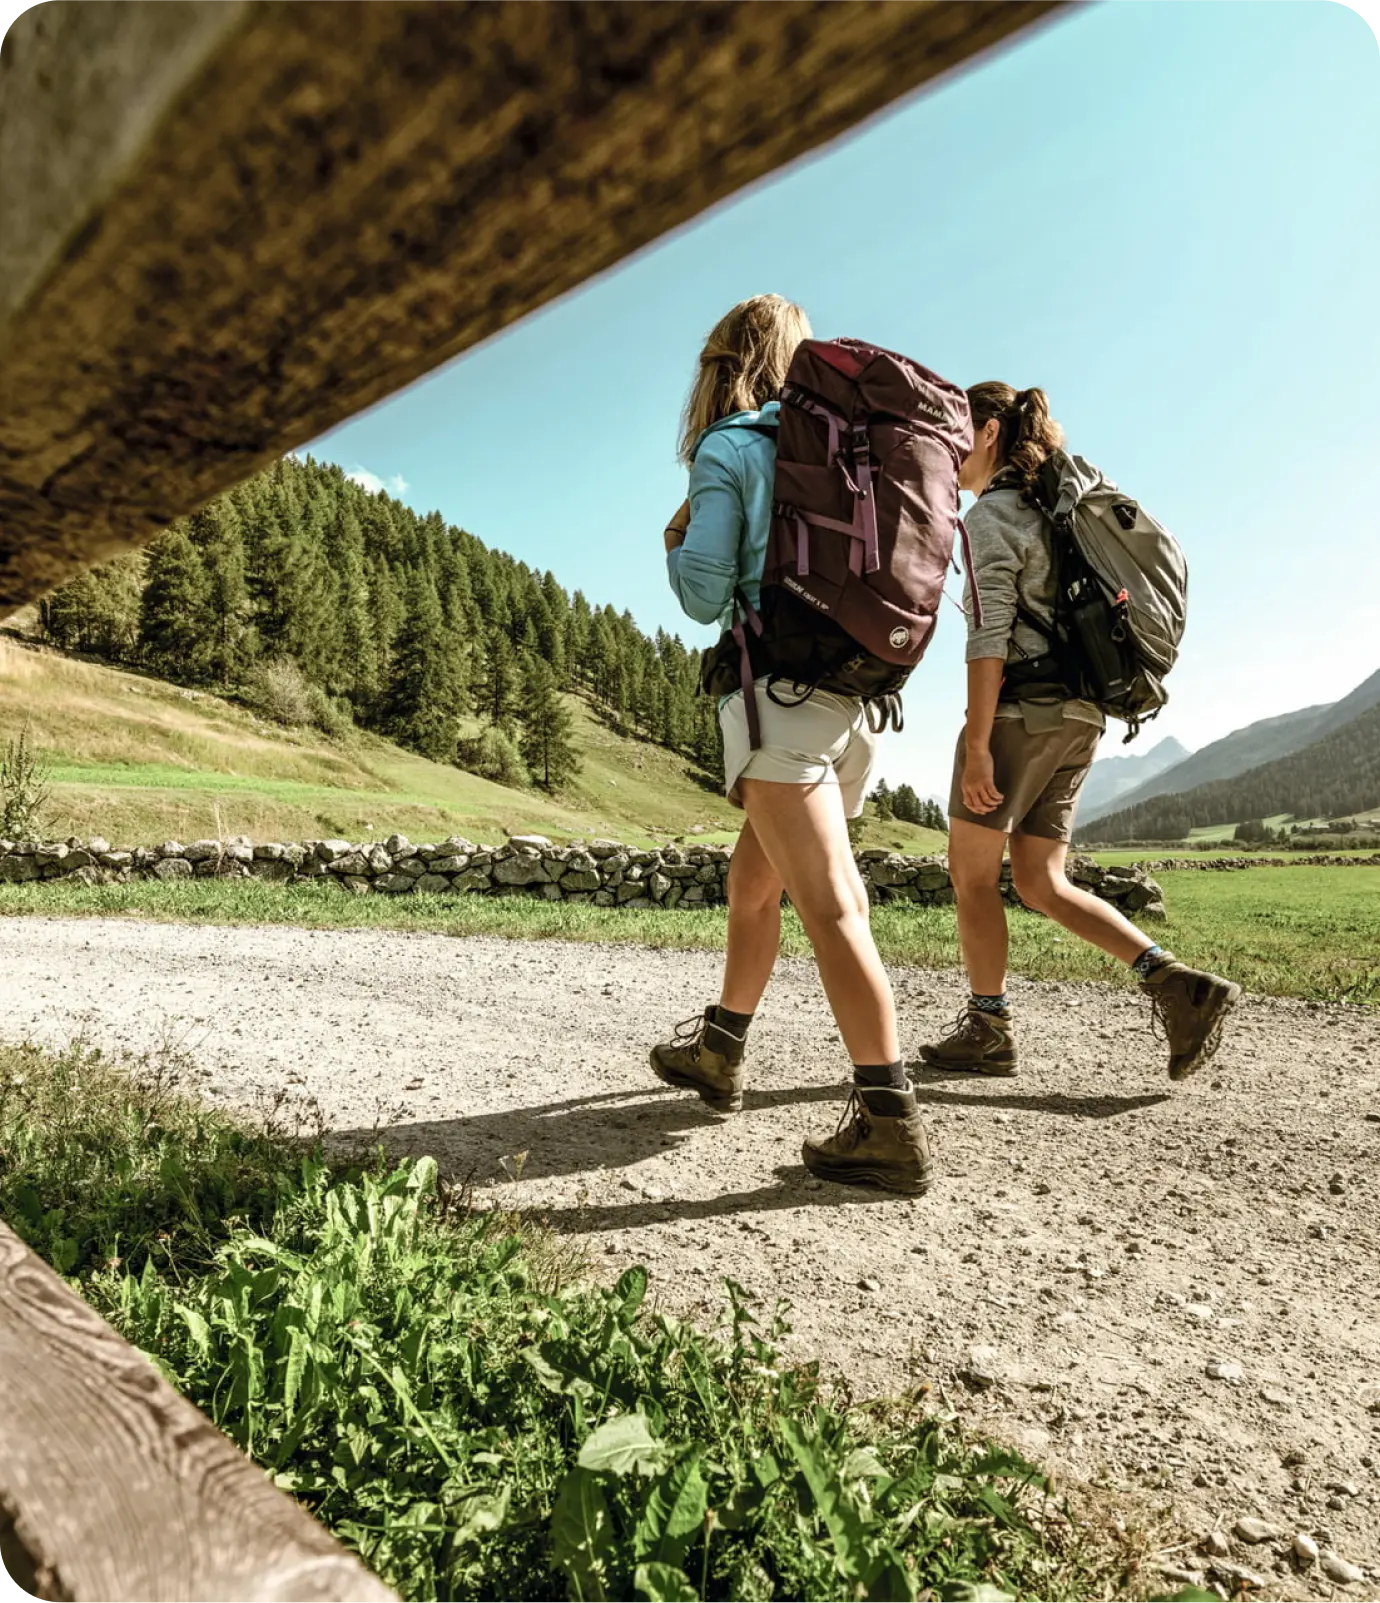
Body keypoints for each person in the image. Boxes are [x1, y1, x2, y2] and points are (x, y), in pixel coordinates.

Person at [649, 293, 932, 1195]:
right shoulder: (852, 447)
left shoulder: (730, 446)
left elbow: (703, 592)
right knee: (753, 883)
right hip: (856, 709)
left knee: (833, 908)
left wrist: (674, 541)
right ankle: (719, 1050)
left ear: (723, 365)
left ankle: (889, 1120)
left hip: (782, 708)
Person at [920, 382, 1240, 1081]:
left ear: (990, 432)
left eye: (955, 436)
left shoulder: (990, 517)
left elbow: (989, 638)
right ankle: (1175, 983)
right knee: (1041, 880)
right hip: (1081, 717)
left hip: (1018, 715)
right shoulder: (1055, 511)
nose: (946, 452)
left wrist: (977, 744)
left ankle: (989, 1029)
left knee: (970, 875)